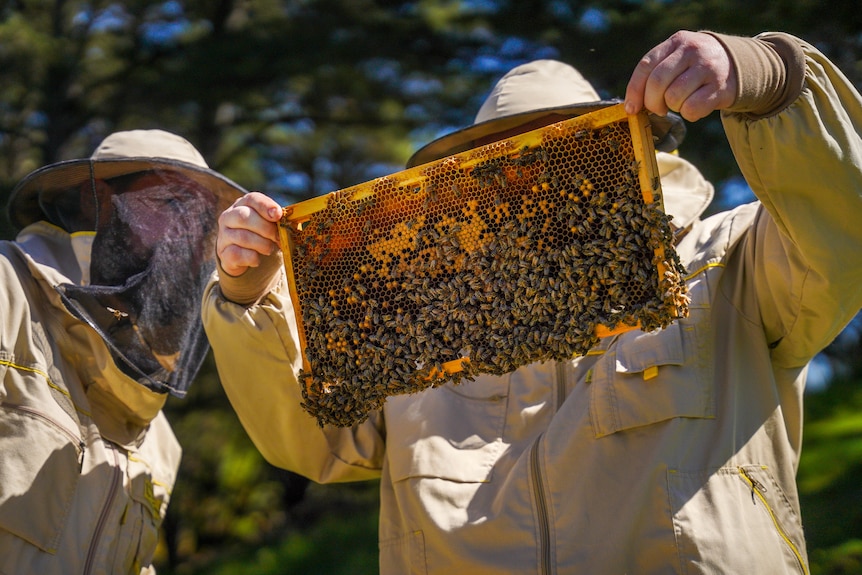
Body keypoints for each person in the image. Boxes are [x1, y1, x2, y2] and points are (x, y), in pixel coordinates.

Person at [204, 30, 862, 574]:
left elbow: (843, 238)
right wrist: (248, 291)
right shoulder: (426, 321)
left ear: (628, 149)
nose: (535, 179)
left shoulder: (728, 262)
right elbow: (312, 436)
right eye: (506, 163)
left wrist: (774, 80)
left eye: (567, 148)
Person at [0, 129, 246, 574]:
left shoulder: (162, 444)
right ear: (97, 201)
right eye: (169, 205)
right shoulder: (5, 292)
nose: (184, 237)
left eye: (201, 223)